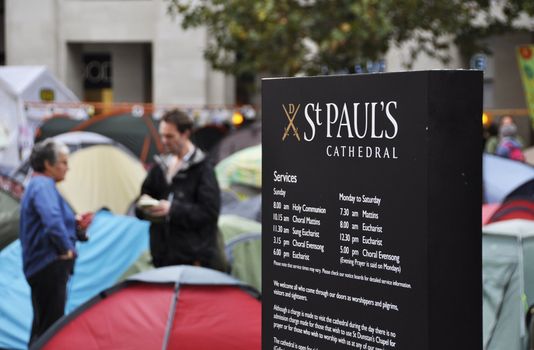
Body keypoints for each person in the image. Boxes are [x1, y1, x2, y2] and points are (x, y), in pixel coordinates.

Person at [20, 139, 91, 346]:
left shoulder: (37, 185)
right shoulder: (43, 185)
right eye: (63, 162)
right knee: (51, 327)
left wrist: (74, 224)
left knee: (42, 324)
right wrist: (66, 249)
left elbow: (51, 219)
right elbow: (51, 220)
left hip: (40, 264)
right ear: (48, 164)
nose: (67, 168)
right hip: (49, 264)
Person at [136, 109, 221, 268]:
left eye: (170, 136)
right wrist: (147, 208)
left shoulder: (203, 168)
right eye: (162, 135)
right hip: (162, 257)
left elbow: (209, 212)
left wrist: (172, 210)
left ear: (185, 134)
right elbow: (141, 199)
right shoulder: (160, 166)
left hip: (193, 261)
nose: (164, 141)